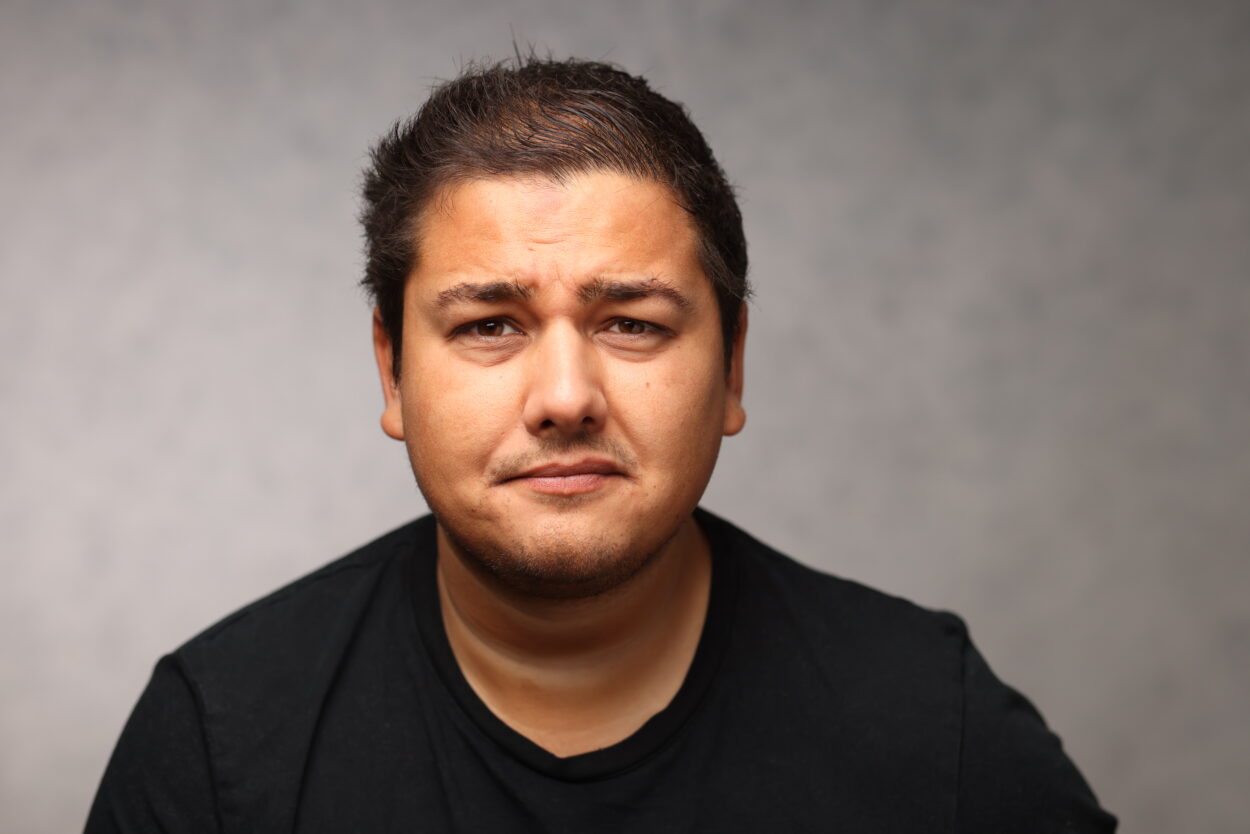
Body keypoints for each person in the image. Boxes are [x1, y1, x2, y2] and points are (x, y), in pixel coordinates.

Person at [86, 56, 1116, 832]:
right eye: (489, 324)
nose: (566, 398)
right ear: (392, 372)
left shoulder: (932, 727)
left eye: (631, 322)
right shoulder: (221, 742)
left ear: (732, 367)